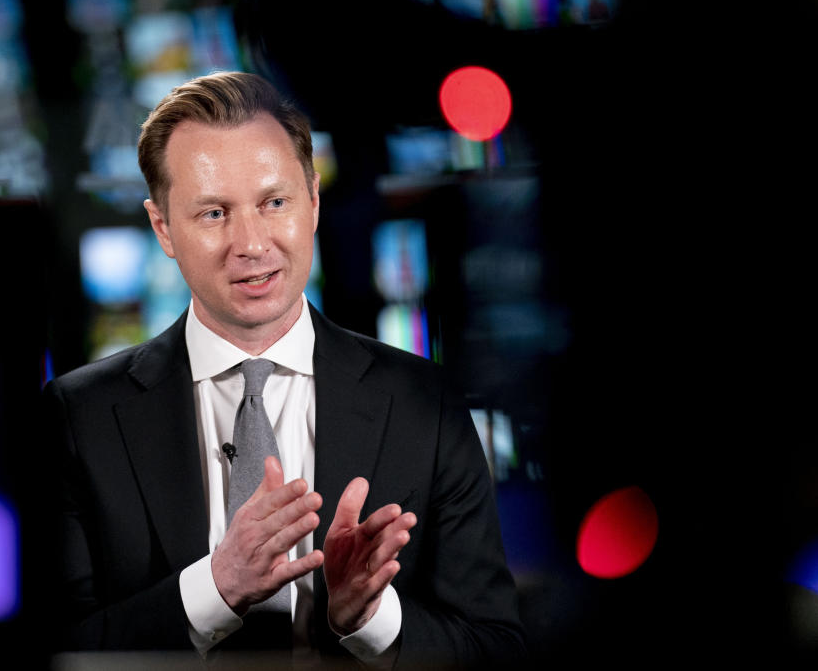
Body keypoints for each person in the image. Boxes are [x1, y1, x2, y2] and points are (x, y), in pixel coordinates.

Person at [45, 71, 526, 666]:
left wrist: (373, 617)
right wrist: (214, 590)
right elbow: (53, 651)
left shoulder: (425, 403)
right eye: (214, 213)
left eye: (275, 202)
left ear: (315, 201)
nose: (251, 243)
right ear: (162, 227)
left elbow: (497, 650)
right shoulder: (75, 418)